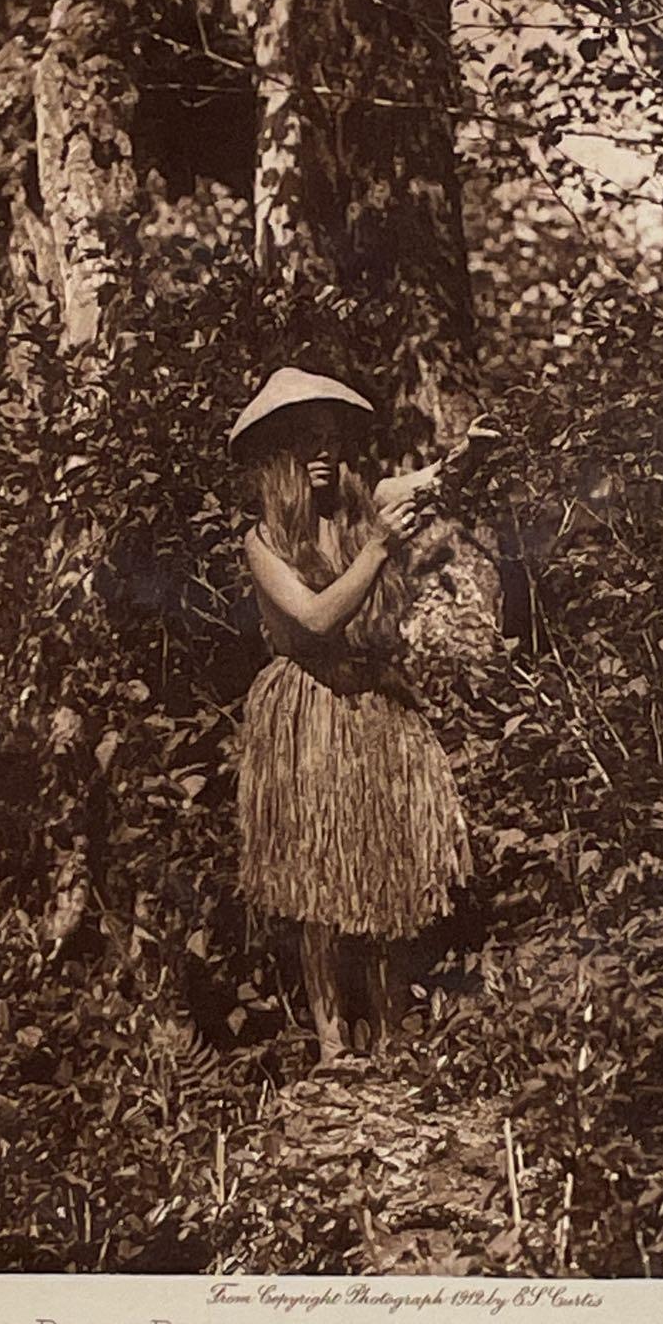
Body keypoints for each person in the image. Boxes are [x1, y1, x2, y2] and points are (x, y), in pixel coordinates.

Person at [228, 366, 490, 1067]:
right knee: (316, 880)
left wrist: (473, 452)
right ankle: (332, 1045)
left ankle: (395, 1032)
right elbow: (314, 620)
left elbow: (435, 482)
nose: (322, 454)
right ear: (277, 454)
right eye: (304, 442)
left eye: (329, 440)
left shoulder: (361, 505)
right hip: (308, 705)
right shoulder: (262, 540)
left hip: (372, 705)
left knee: (388, 870)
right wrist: (378, 549)